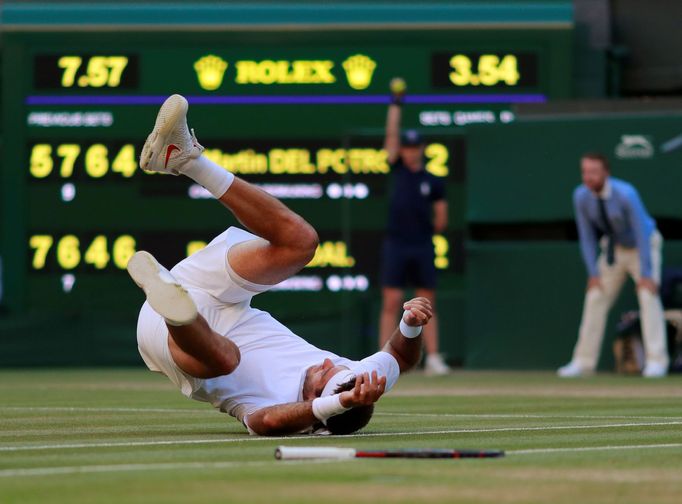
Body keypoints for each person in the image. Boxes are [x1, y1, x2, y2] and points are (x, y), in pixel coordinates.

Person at [127, 94, 432, 436]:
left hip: (171, 336)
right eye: (338, 370)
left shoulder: (278, 407)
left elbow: (266, 423)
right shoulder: (353, 376)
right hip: (217, 295)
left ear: (316, 406)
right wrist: (410, 326)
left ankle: (175, 311)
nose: (329, 363)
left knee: (226, 359)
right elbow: (401, 358)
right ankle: (184, 159)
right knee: (301, 242)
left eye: (325, 378)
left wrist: (337, 406)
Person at [558, 152, 668, 378]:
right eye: (585, 172)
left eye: (594, 172)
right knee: (595, 297)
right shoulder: (580, 196)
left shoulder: (626, 194)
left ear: (606, 173)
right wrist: (593, 273)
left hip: (643, 245)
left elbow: (641, 232)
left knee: (648, 297)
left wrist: (646, 273)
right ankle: (583, 362)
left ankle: (657, 362)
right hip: (614, 249)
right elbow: (587, 236)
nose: (589, 177)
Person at [378, 78, 449, 375]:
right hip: (396, 243)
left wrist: (431, 230)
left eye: (413, 147)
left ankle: (433, 357)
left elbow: (442, 215)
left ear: (421, 148)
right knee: (392, 299)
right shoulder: (396, 167)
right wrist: (396, 104)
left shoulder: (433, 180)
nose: (409, 151)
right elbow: (391, 135)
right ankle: (382, 357)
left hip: (421, 244)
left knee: (426, 301)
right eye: (405, 147)